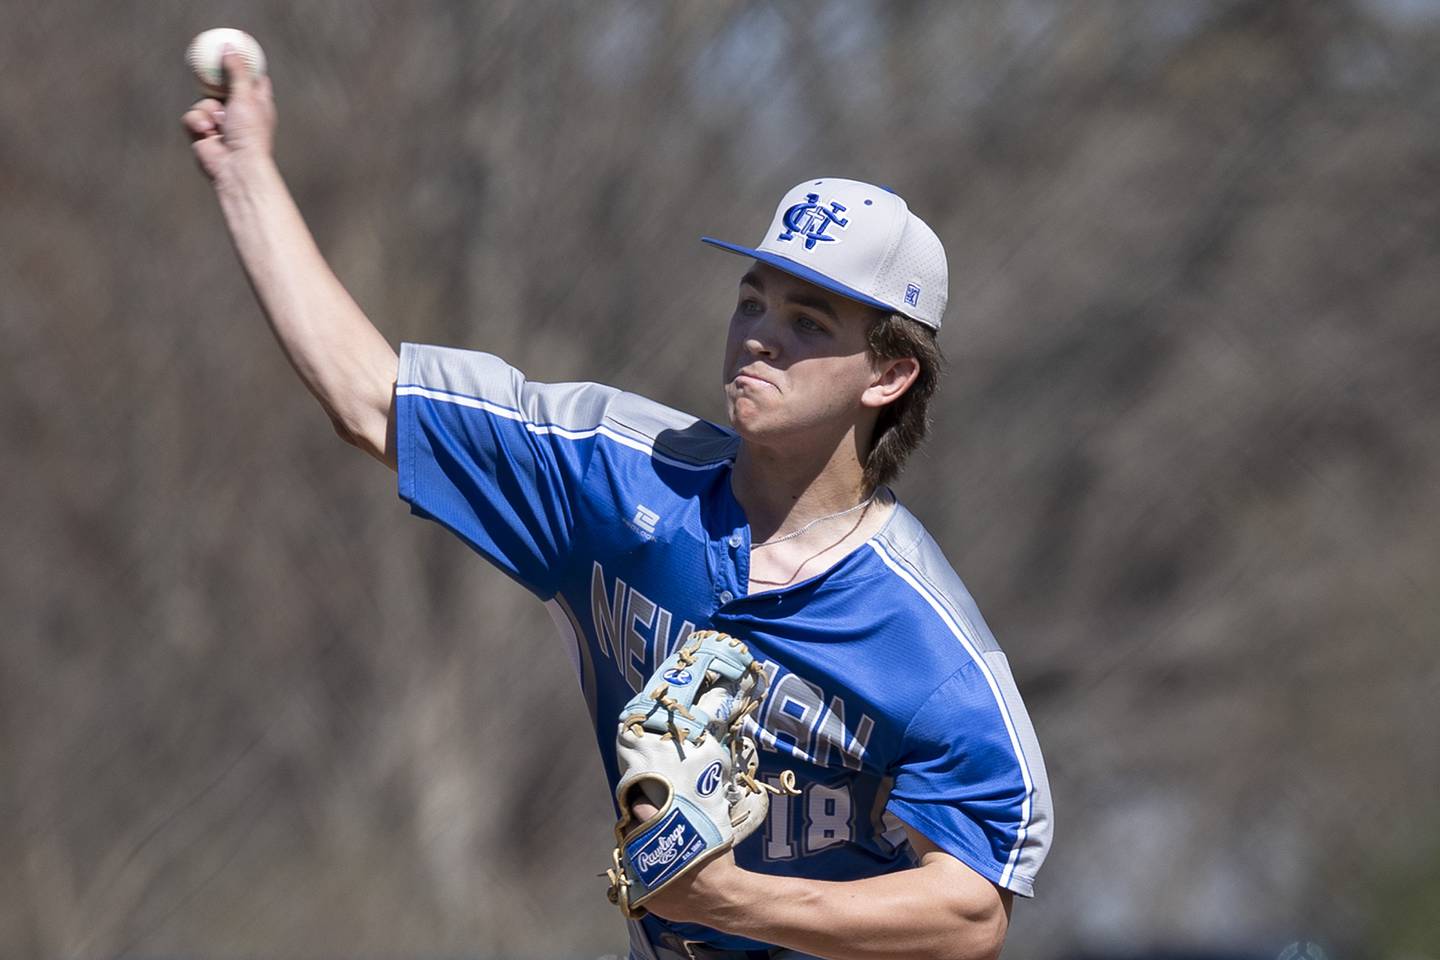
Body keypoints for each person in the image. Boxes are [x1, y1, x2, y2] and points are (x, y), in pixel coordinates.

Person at [183, 50, 1052, 960]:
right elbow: (369, 397)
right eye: (752, 300)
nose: (759, 334)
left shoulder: (929, 648)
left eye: (808, 321)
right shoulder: (622, 475)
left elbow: (971, 913)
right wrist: (245, 172)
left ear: (890, 373)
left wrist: (729, 901)